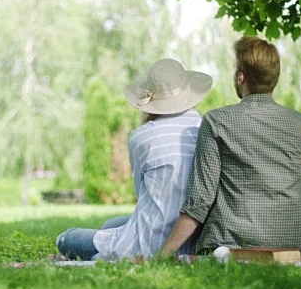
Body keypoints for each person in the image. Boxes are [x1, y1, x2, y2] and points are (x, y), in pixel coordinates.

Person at [161, 36, 301, 257]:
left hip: (234, 243)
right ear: (274, 78)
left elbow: (200, 201)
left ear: (240, 77)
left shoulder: (216, 121)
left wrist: (163, 254)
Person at [56, 58, 213, 260]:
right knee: (111, 224)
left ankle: (114, 247)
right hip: (192, 238)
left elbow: (141, 192)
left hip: (149, 243)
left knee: (67, 238)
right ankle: (115, 238)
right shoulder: (203, 128)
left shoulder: (142, 137)